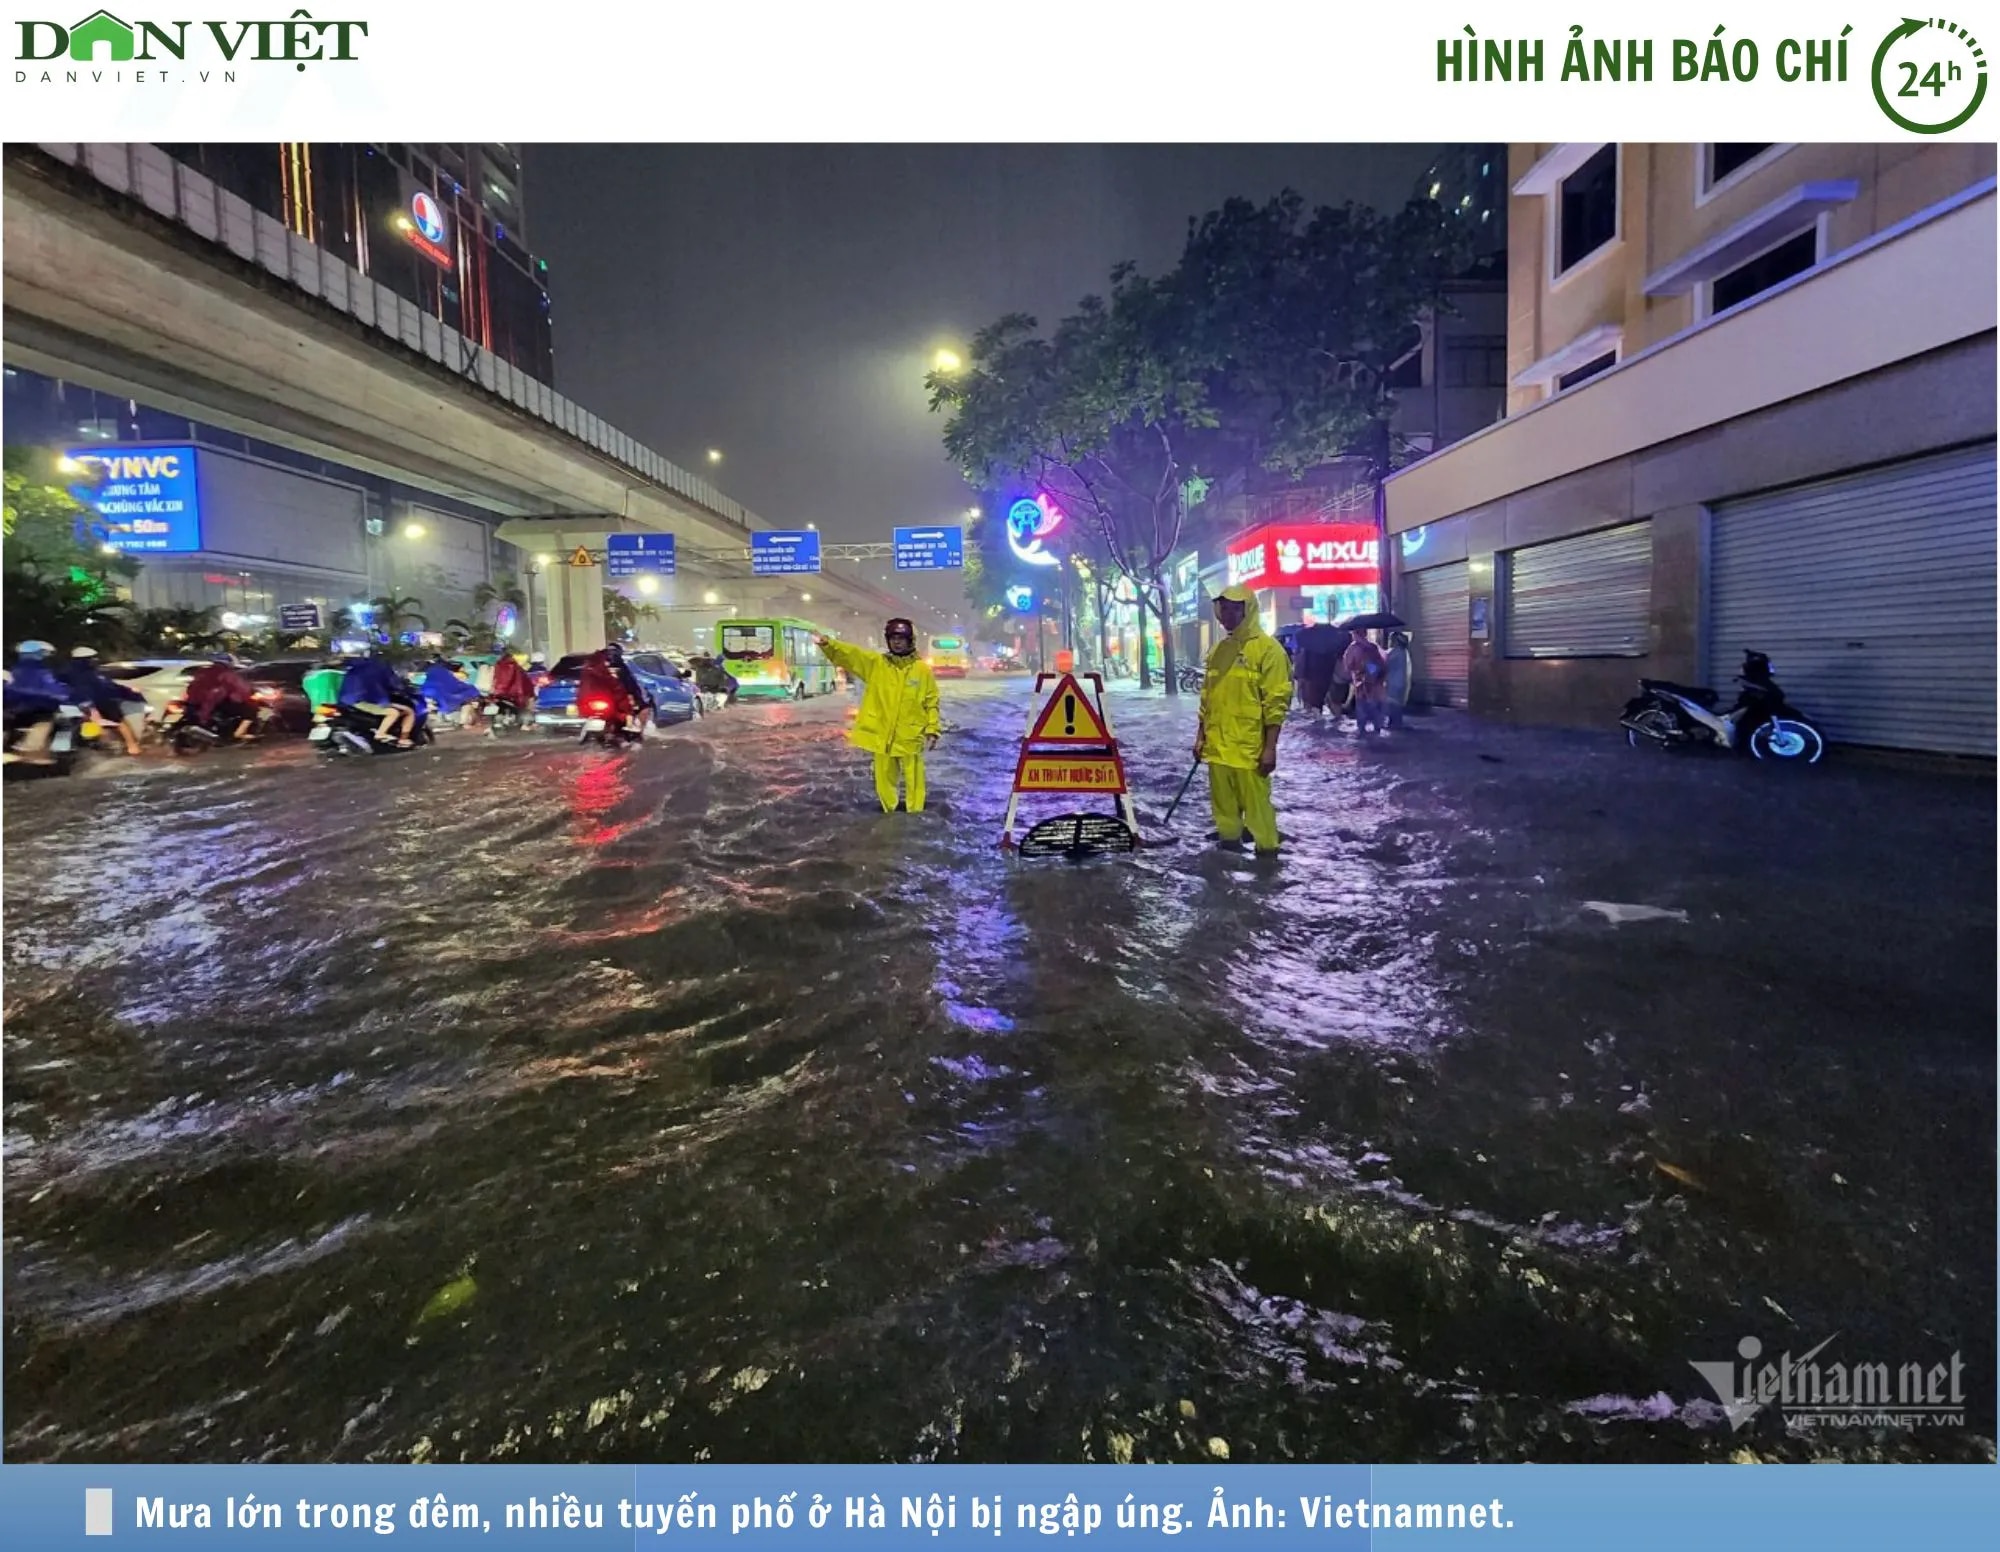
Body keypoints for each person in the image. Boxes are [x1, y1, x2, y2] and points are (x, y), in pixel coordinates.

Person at [1195, 586, 1291, 855]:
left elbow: (1276, 703)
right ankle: (1228, 852)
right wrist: (1200, 737)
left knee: (1258, 810)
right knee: (1223, 810)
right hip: (1217, 748)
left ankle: (1268, 859)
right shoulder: (1218, 651)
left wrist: (1270, 748)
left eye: (1234, 608)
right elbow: (1207, 698)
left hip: (1249, 749)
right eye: (1223, 608)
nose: (1227, 614)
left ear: (1247, 610)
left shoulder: (1269, 651)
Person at [815, 618, 940, 813]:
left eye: (901, 638)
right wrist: (829, 644)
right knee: (884, 781)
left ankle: (915, 816)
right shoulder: (876, 664)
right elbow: (852, 655)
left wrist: (932, 730)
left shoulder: (922, 670)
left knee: (914, 783)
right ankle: (889, 814)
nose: (896, 642)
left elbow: (931, 702)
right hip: (882, 737)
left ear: (910, 641)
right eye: (893, 638)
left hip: (910, 737)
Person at [62, 646, 147, 755]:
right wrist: (133, 695)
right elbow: (109, 688)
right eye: (93, 658)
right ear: (87, 659)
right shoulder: (94, 674)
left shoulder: (66, 672)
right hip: (100, 703)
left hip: (76, 704)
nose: (95, 660)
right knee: (120, 723)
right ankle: (132, 746)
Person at [4, 641, 69, 764]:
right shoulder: (43, 672)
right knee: (65, 722)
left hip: (14, 711)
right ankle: (61, 753)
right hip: (39, 710)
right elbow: (55, 691)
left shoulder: (13, 671)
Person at [338, 649, 416, 746]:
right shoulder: (381, 667)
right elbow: (394, 683)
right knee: (402, 711)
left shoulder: (356, 667)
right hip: (365, 700)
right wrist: (404, 689)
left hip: (346, 700)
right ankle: (386, 735)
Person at [183, 653, 261, 741]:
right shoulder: (227, 674)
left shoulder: (202, 672)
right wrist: (250, 691)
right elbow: (241, 688)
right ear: (229, 663)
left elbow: (191, 687)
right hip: (214, 703)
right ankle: (238, 734)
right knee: (251, 711)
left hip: (193, 702)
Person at [577, 642, 650, 734]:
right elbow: (630, 686)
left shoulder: (594, 668)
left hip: (601, 702)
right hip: (608, 702)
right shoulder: (619, 669)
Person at [1294, 622, 1348, 720]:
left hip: (1315, 679)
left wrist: (1301, 678)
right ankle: (1336, 718)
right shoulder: (1334, 646)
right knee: (1335, 703)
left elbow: (1303, 666)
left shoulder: (1309, 648)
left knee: (1315, 704)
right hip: (1332, 678)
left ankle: (1319, 719)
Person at [1343, 629, 1390, 736]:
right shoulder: (1373, 646)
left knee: (1362, 709)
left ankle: (1362, 731)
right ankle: (1377, 729)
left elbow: (1348, 666)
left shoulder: (1353, 648)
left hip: (1362, 685)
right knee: (1377, 709)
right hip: (1377, 684)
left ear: (1355, 634)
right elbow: (1383, 663)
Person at [1384, 632, 1413, 730]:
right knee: (1396, 707)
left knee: (1393, 707)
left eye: (1390, 639)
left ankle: (1395, 727)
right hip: (1400, 683)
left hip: (1393, 684)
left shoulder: (1394, 653)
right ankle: (1396, 725)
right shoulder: (1403, 652)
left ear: (1395, 641)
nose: (1389, 642)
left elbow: (1382, 663)